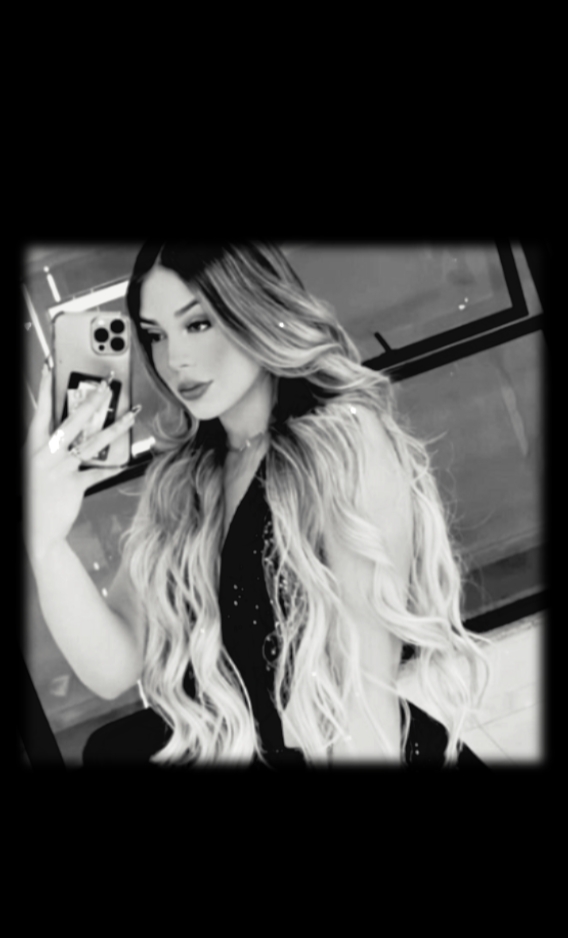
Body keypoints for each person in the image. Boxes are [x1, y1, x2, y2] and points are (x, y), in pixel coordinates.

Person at [23, 241, 491, 769]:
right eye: (156, 335)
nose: (174, 359)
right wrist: (46, 542)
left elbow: (364, 703)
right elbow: (113, 668)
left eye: (197, 324)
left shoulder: (342, 444)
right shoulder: (187, 479)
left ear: (253, 308)